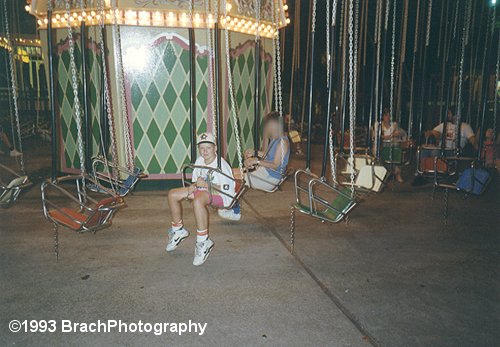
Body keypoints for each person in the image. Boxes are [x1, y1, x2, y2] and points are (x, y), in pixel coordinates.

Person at [166, 133, 235, 266]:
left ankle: (203, 241)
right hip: (203, 191)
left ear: (215, 149)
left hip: (222, 196)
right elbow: (196, 182)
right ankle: (178, 230)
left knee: (198, 200)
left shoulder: (221, 165)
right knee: (173, 194)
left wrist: (206, 186)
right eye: (202, 148)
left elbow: (228, 190)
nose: (204, 151)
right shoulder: (199, 161)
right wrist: (193, 186)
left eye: (208, 148)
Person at [218, 112, 290, 221]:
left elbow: (275, 165)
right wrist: (254, 152)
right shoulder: (276, 139)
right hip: (264, 172)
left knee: (235, 178)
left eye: (268, 126)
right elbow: (267, 155)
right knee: (230, 172)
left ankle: (233, 209)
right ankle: (225, 199)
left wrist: (256, 161)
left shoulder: (282, 142)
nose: (267, 128)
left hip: (270, 178)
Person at [373, 108, 406, 183]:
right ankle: (382, 173)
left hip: (391, 144)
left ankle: (397, 172)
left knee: (395, 146)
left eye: (389, 115)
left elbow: (398, 133)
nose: (388, 117)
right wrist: (385, 137)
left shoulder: (394, 125)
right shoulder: (378, 125)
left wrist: (394, 134)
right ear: (383, 117)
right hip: (382, 145)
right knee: (379, 148)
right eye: (386, 115)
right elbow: (375, 135)